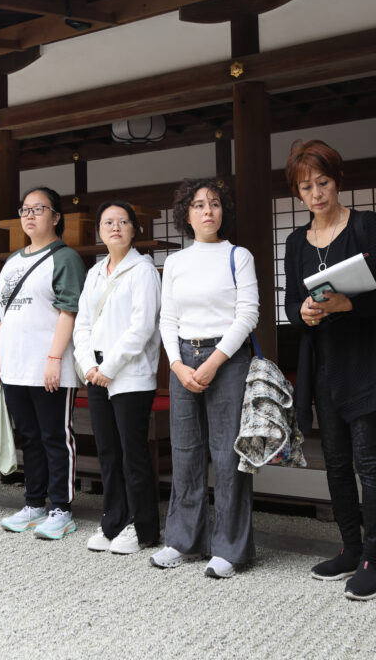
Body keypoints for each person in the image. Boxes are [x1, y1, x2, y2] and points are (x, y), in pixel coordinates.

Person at [284, 140, 376, 601]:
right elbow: (289, 307)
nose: (316, 193)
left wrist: (349, 303)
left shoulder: (364, 225)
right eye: (306, 187)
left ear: (337, 181)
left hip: (365, 359)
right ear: (297, 194)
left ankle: (373, 560)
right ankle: (350, 548)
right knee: (336, 464)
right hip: (323, 365)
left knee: (369, 463)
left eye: (323, 182)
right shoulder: (296, 241)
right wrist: (306, 312)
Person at [151, 179, 259, 579]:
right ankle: (183, 540)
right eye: (198, 205)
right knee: (185, 451)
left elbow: (248, 314)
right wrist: (177, 366)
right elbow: (167, 318)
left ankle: (230, 548)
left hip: (227, 358)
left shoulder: (238, 256)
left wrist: (213, 361)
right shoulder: (177, 262)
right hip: (183, 358)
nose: (207, 211)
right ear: (186, 215)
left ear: (223, 211)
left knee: (228, 454)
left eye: (214, 204)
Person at [0, 187, 86, 540]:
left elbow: (69, 310)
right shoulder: (12, 261)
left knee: (55, 437)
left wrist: (55, 359)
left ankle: (62, 508)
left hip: (49, 366)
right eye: (25, 210)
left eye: (39, 209)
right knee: (29, 437)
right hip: (13, 366)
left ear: (56, 217)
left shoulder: (66, 258)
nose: (29, 216)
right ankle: (34, 503)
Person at [73, 200, 162, 554]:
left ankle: (142, 529)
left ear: (134, 229)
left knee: (133, 453)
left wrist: (108, 367)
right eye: (108, 222)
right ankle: (112, 520)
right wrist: (88, 366)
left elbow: (141, 328)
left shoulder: (144, 271)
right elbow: (82, 324)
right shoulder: (94, 272)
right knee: (107, 451)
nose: (115, 227)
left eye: (122, 221)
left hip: (130, 376)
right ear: (99, 230)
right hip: (96, 374)